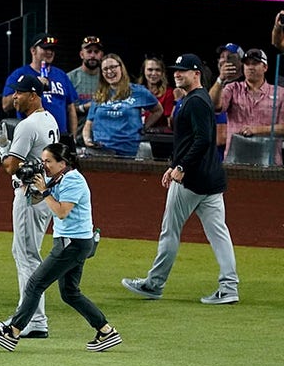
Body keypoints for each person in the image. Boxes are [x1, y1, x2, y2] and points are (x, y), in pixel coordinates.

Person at [122, 54, 240, 305]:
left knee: (170, 232)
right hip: (210, 179)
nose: (177, 74)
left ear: (196, 74)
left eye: (183, 71)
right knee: (219, 234)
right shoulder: (195, 99)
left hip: (191, 180)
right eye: (176, 70)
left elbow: (203, 139)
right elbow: (191, 141)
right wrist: (175, 164)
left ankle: (154, 284)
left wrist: (182, 167)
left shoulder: (196, 101)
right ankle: (229, 287)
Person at [0, 143, 122, 353]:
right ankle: (106, 331)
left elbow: (61, 212)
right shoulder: (59, 178)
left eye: (48, 161)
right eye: (43, 160)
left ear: (62, 163)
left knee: (35, 284)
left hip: (71, 244)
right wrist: (25, 184)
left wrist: (44, 190)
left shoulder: (73, 180)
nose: (44, 165)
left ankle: (13, 332)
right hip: (74, 243)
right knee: (70, 293)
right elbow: (36, 199)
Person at [0, 74, 59, 338]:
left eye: (19, 92)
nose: (15, 96)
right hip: (44, 195)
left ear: (33, 95)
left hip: (29, 196)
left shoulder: (27, 125)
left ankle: (33, 319)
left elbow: (11, 166)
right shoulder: (50, 119)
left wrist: (3, 148)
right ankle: (31, 315)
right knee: (25, 252)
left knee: (27, 256)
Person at [82, 54, 163, 157]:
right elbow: (88, 123)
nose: (109, 71)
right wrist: (87, 140)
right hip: (101, 151)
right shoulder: (99, 95)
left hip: (128, 150)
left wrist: (144, 127)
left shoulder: (139, 91)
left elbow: (158, 110)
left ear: (121, 68)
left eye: (112, 67)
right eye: (105, 69)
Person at [3, 33, 78, 141]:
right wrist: (30, 86)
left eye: (52, 49)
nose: (50, 52)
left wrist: (73, 138)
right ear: (33, 50)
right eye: (45, 48)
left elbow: (71, 108)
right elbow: (5, 105)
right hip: (32, 136)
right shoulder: (20, 74)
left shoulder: (61, 75)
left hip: (60, 137)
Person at [212, 48, 282, 148]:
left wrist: (258, 130)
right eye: (247, 64)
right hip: (236, 157)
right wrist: (220, 79)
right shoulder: (232, 88)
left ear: (265, 67)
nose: (250, 67)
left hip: (268, 158)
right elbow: (214, 105)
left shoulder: (280, 92)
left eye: (255, 63)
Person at [67, 36, 105, 121]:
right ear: (81, 54)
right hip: (78, 131)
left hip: (104, 132)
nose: (92, 55)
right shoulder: (70, 78)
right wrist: (83, 108)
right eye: (89, 51)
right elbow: (64, 108)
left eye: (96, 52)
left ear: (101, 55)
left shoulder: (107, 77)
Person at [138, 56, 174, 132]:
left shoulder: (168, 93)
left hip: (158, 139)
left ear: (162, 73)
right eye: (150, 70)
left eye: (158, 70)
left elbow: (170, 125)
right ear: (144, 71)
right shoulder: (136, 91)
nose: (154, 73)